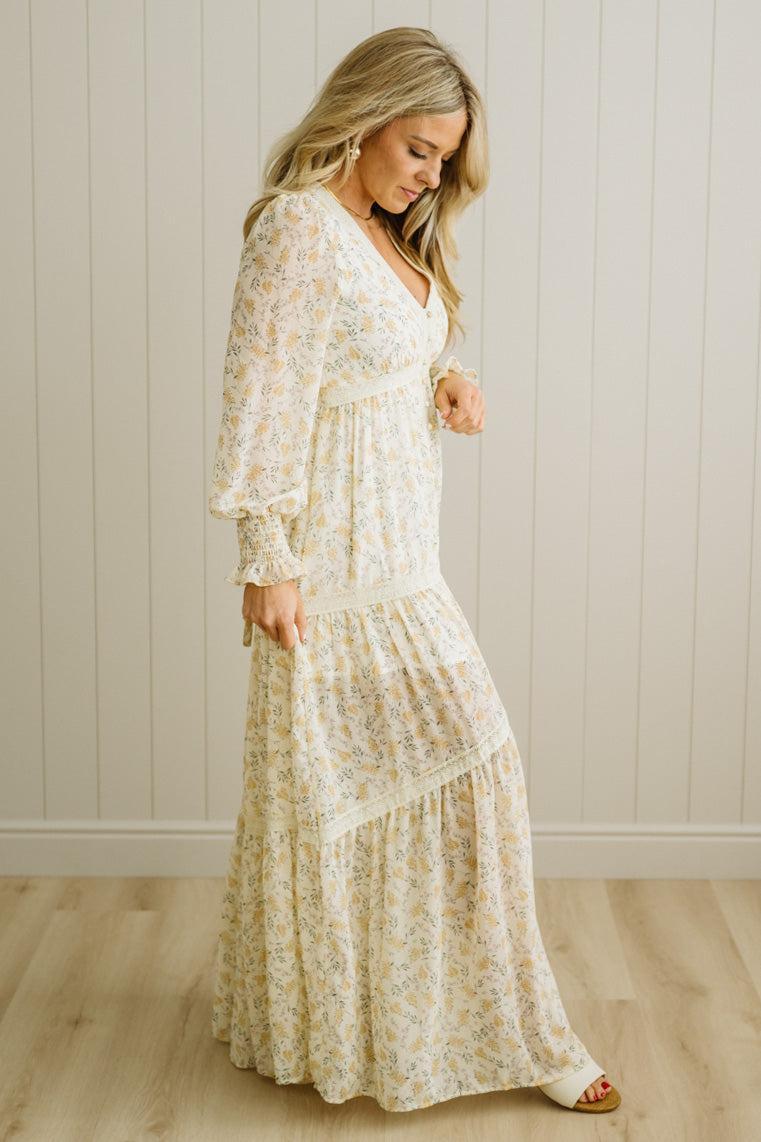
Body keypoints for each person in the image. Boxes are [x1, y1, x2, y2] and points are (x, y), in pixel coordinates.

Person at [207, 25, 621, 1116]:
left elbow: (380, 352)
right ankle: (513, 1034)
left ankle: (479, 1025)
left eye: (444, 158)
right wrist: (267, 558)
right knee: (435, 776)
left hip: (403, 562)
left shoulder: (390, 235)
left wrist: (450, 382)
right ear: (364, 114)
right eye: (420, 149)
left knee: (434, 783)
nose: (430, 174)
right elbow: (264, 393)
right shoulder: (299, 230)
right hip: (334, 578)